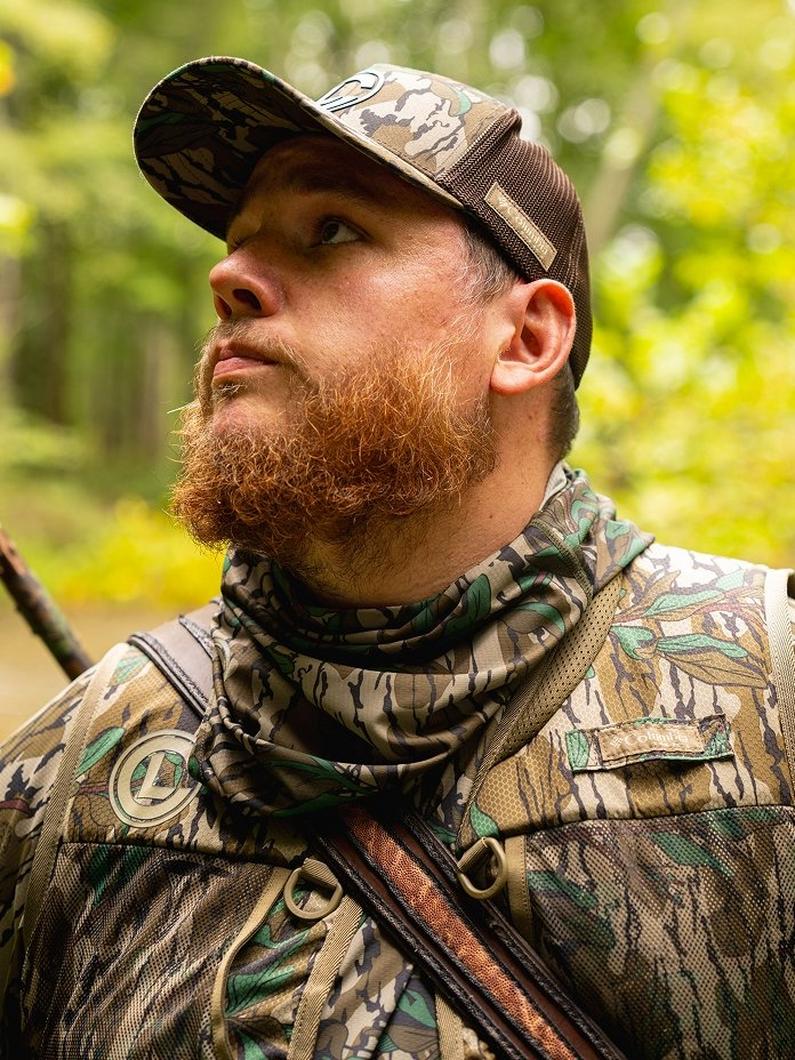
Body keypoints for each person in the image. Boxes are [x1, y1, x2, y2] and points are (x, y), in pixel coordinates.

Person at [1, 57, 793, 1059]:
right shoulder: (75, 764)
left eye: (334, 228)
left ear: (527, 337)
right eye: (239, 242)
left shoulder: (765, 700)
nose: (227, 277)